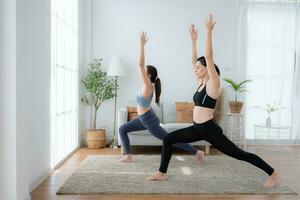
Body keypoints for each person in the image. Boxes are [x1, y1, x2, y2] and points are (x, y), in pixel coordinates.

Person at [146, 15, 279, 188]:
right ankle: (162, 173)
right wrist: (193, 41)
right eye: (195, 68)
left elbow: (208, 56)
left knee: (238, 154)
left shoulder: (213, 84)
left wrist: (209, 32)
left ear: (208, 69)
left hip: (209, 130)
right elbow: (193, 61)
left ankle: (272, 173)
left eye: (199, 68)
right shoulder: (200, 83)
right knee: (168, 139)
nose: (195, 69)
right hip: (196, 128)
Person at [119, 31, 204, 163]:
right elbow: (141, 67)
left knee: (169, 139)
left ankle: (197, 152)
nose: (141, 73)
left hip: (149, 120)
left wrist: (141, 45)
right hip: (144, 118)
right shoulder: (146, 85)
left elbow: (140, 65)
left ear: (149, 75)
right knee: (122, 129)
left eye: (144, 72)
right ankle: (128, 155)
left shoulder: (148, 86)